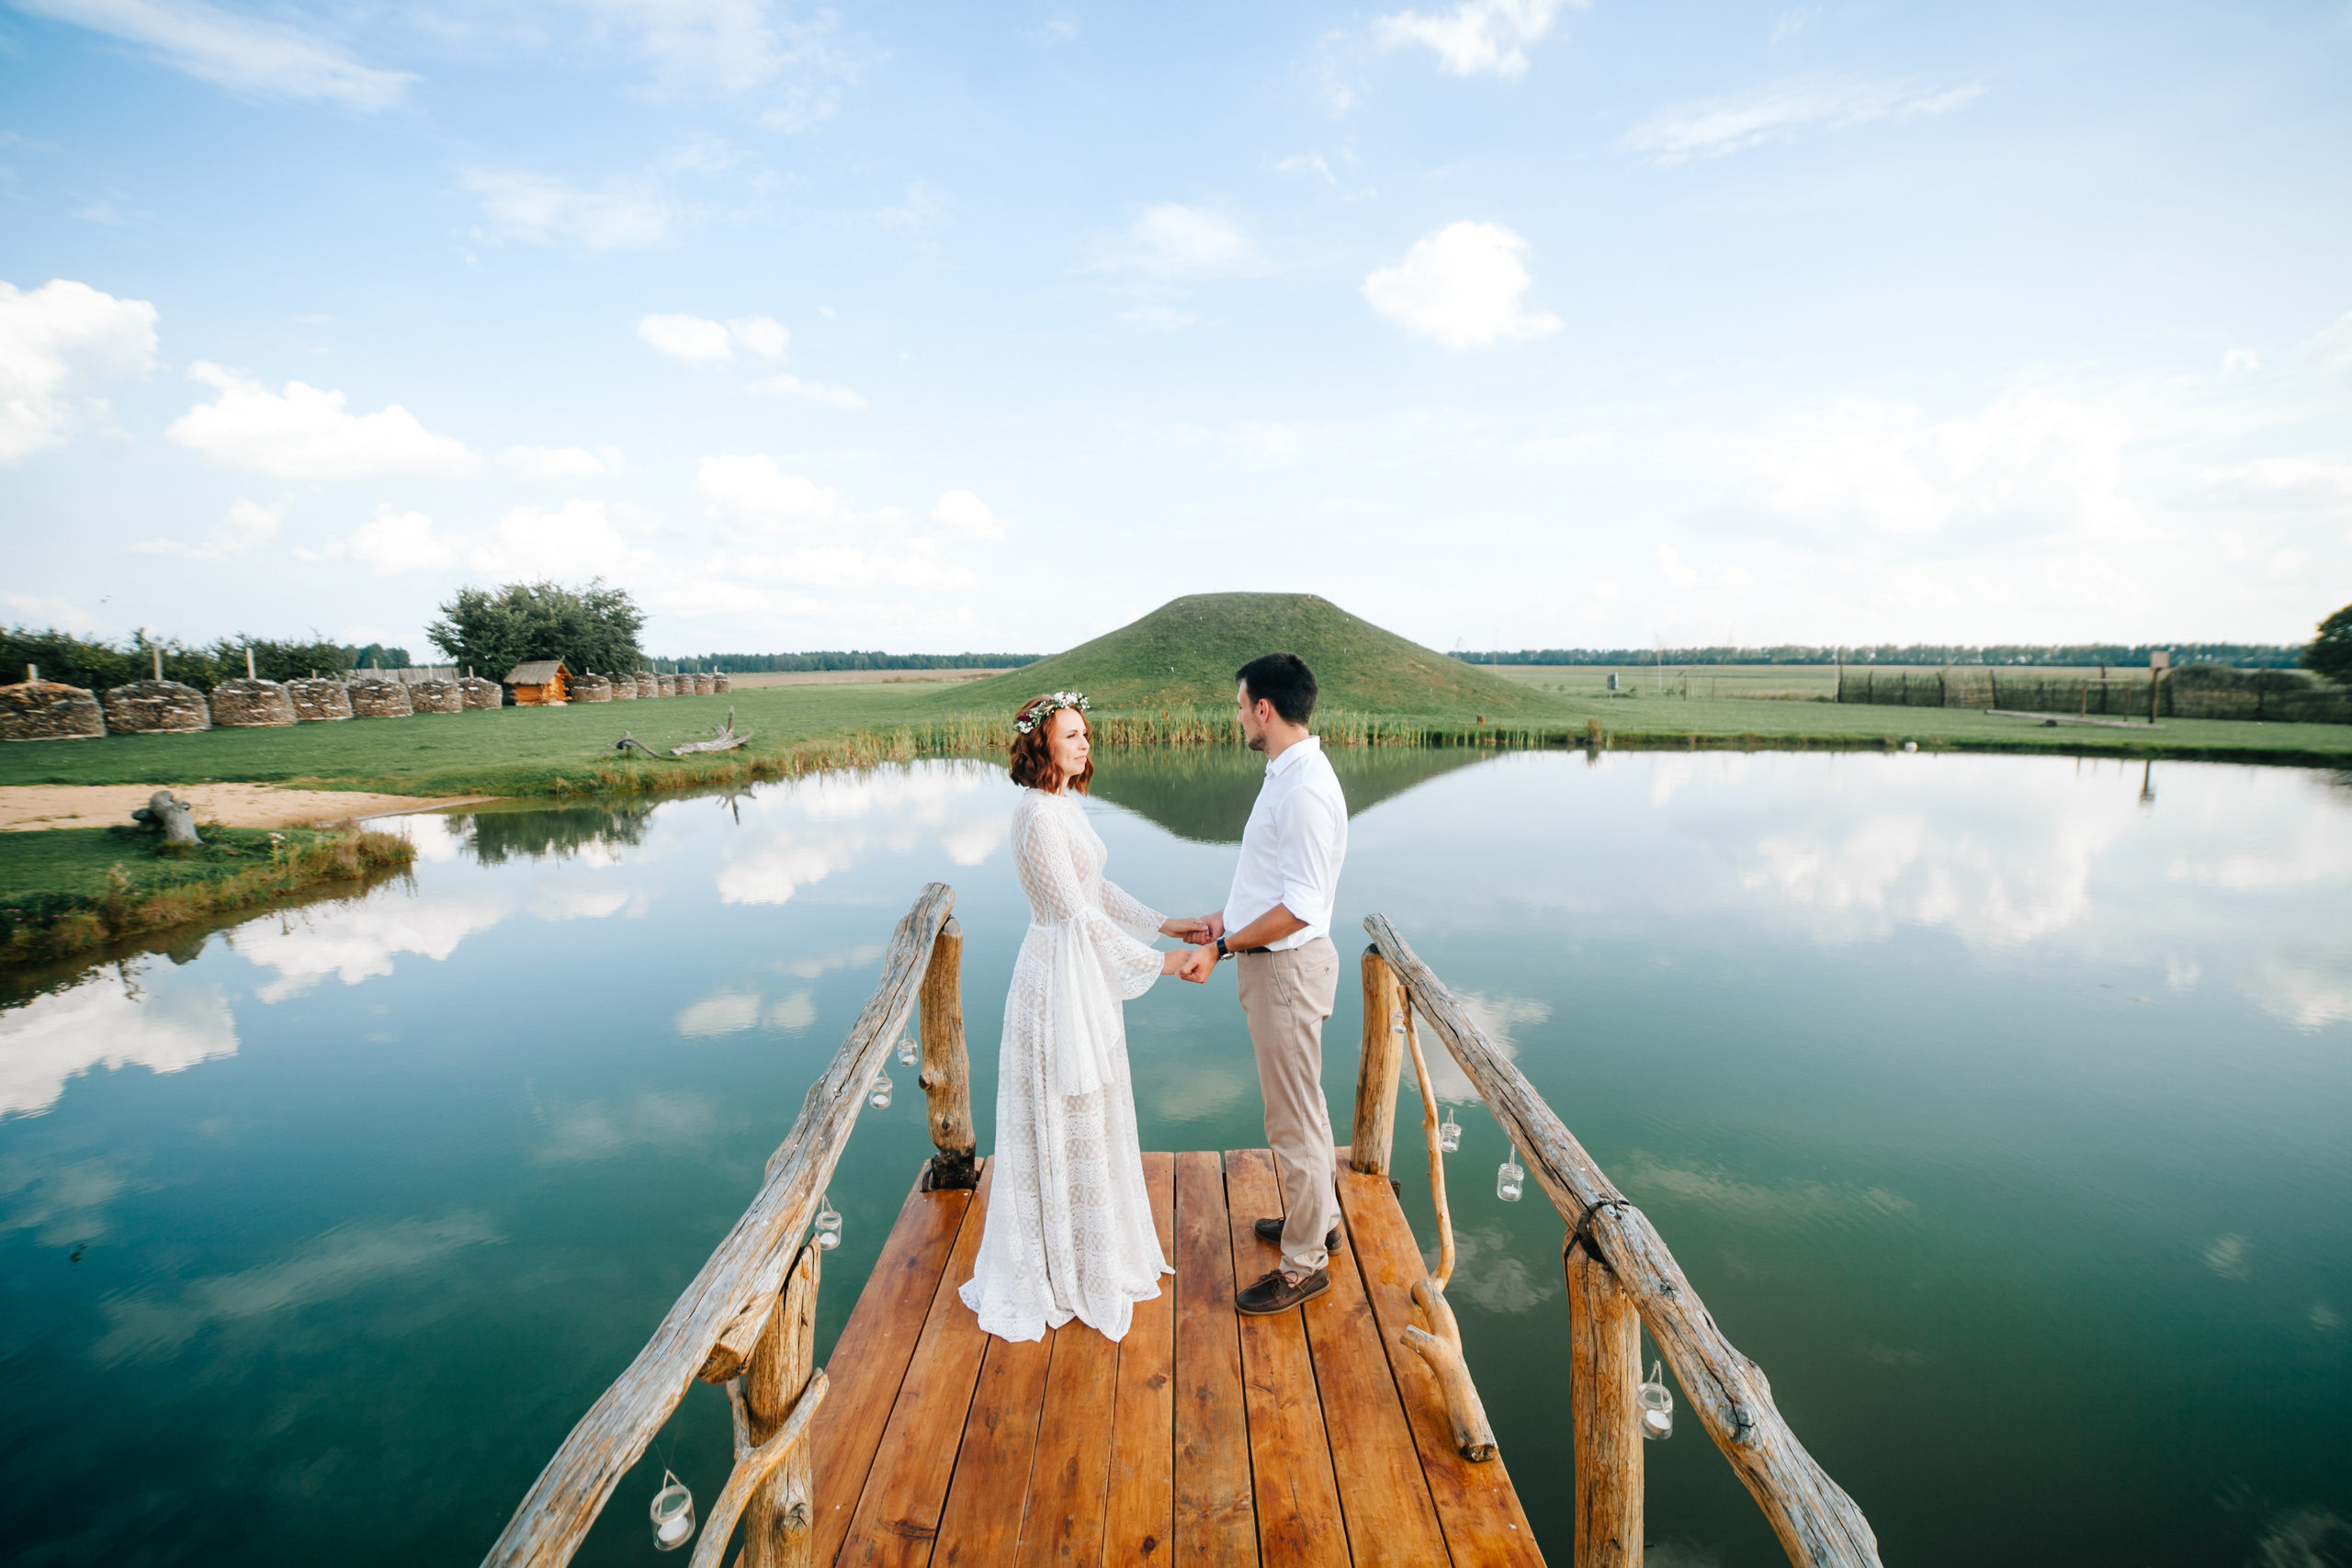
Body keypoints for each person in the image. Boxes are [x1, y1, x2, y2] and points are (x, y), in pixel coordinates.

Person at [960, 691, 1209, 1343]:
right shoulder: (1037, 816)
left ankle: (1090, 1250)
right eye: (1071, 734)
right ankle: (1057, 1266)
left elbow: (1095, 889)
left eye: (1086, 734)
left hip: (1080, 972)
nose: (1083, 744)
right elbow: (1074, 915)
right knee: (1060, 1106)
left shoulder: (1063, 806)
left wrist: (1164, 921)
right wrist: (1162, 961)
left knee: (1090, 1107)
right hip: (1054, 976)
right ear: (1040, 743)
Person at [1176, 653, 1349, 1314]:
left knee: (1293, 1121)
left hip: (1286, 972)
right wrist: (1227, 919)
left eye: (1241, 704)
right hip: (1278, 963)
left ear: (1265, 710)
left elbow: (1302, 905)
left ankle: (1305, 1264)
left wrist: (1223, 945)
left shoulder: (1303, 788)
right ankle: (1320, 1220)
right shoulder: (1288, 773)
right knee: (1305, 1108)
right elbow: (1277, 883)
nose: (1238, 715)